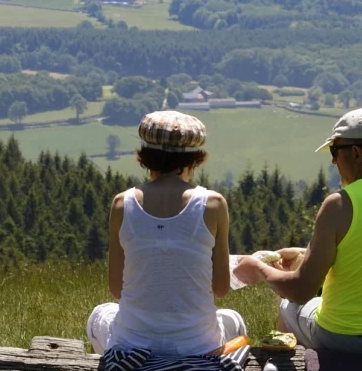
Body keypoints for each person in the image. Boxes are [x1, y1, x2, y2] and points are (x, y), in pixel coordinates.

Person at [235, 107, 362, 354]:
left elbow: (301, 291)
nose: (334, 163)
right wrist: (308, 252)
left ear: (355, 153)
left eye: (335, 153)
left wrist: (259, 269)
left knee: (287, 307)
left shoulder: (339, 204)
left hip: (343, 340)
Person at [87, 110, 246, 356]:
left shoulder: (122, 204)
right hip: (197, 348)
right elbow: (221, 289)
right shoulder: (214, 204)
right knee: (232, 318)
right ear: (195, 159)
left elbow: (117, 289)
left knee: (99, 314)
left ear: (145, 157)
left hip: (133, 346)